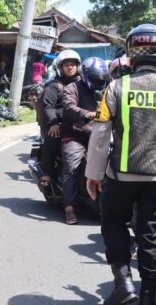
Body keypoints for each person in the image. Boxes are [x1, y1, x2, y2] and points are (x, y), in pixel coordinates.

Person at [85, 24, 156, 305]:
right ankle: (148, 297)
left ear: (132, 53)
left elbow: (101, 133)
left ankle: (124, 284)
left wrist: (93, 174)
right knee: (151, 232)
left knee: (113, 222)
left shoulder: (117, 86)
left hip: (121, 174)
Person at [61, 56, 110, 225]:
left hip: (99, 135)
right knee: (72, 168)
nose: (99, 82)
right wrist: (86, 114)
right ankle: (69, 208)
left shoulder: (107, 90)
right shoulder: (72, 88)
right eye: (96, 79)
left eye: (102, 79)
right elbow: (68, 106)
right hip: (75, 135)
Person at [37, 50, 80, 186]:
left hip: (77, 121)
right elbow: (48, 106)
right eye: (66, 65)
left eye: (73, 64)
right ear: (60, 67)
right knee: (53, 137)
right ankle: (47, 173)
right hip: (58, 122)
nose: (70, 67)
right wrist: (54, 123)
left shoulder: (82, 84)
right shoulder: (54, 85)